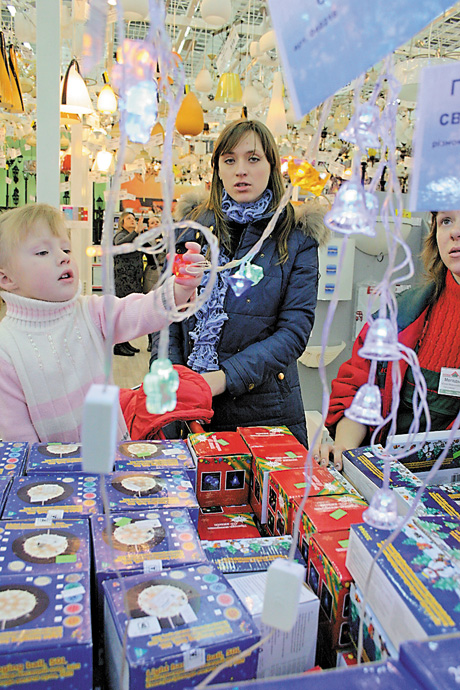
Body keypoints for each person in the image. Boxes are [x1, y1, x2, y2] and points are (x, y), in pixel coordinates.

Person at [157, 119, 329, 446]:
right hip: (185, 409)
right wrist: (171, 378)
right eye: (229, 159)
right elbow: (166, 312)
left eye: (253, 159)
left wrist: (221, 379)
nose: (241, 170)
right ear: (217, 168)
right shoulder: (192, 229)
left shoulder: (296, 238)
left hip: (265, 413)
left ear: (272, 166)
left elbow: (294, 332)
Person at [0, 203, 203, 444]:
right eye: (43, 252)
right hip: (53, 473)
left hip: (114, 453)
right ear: (6, 278)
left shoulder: (90, 311)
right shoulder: (6, 348)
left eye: (66, 248)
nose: (63, 257)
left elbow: (141, 311)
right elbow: (17, 436)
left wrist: (179, 288)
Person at [317, 209, 460, 469]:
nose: (455, 232)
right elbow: (357, 388)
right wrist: (344, 450)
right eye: (446, 221)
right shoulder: (399, 314)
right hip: (387, 479)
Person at [113, 210, 145, 356]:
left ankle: (125, 342)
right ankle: (119, 345)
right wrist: (135, 233)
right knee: (122, 312)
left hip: (134, 278)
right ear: (122, 222)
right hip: (124, 280)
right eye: (129, 218)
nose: (132, 220)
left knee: (128, 313)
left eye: (134, 218)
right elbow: (120, 244)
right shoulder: (120, 235)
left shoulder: (135, 237)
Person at [142, 211, 166, 352]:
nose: (155, 224)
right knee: (151, 308)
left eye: (157, 222)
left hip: (165, 274)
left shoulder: (168, 238)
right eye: (152, 223)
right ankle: (151, 341)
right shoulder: (146, 241)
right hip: (152, 274)